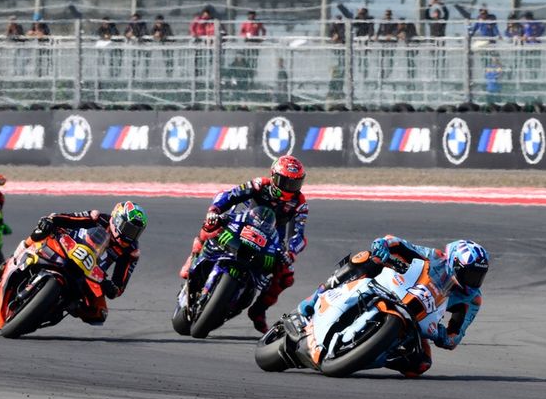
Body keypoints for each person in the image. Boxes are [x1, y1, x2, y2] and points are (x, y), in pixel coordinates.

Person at [298, 237, 489, 378]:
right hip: (396, 288)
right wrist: (382, 246)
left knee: (419, 365)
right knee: (366, 258)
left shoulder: (472, 299)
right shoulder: (435, 257)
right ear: (454, 264)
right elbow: (396, 243)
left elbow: (457, 334)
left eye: (479, 275)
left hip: (419, 318)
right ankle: (315, 297)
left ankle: (366, 354)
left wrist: (444, 336)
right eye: (470, 273)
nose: (474, 280)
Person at [179, 155, 308, 333]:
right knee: (211, 225)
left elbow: (299, 235)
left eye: (294, 183)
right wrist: (214, 211)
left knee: (287, 275)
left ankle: (259, 311)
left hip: (271, 238)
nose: (290, 188)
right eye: (285, 181)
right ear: (274, 176)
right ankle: (193, 257)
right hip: (243, 223)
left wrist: (291, 252)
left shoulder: (300, 203)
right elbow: (229, 195)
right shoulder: (259, 184)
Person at [21, 201, 148, 324]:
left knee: (99, 314)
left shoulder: (131, 251)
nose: (130, 236)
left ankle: (65, 305)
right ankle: (19, 252)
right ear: (117, 221)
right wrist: (50, 221)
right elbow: (64, 218)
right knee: (43, 229)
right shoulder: (97, 218)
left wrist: (112, 288)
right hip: (66, 249)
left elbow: (119, 286)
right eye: (129, 229)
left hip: (90, 274)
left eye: (136, 232)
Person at [375, 9, 398, 79]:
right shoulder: (382, 22)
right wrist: (377, 36)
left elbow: (395, 31)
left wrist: (391, 35)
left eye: (388, 15)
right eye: (386, 14)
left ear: (390, 15)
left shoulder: (394, 23)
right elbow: (379, 30)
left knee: (389, 60)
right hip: (383, 43)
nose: (387, 16)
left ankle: (388, 75)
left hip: (390, 44)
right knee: (381, 59)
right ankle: (381, 74)